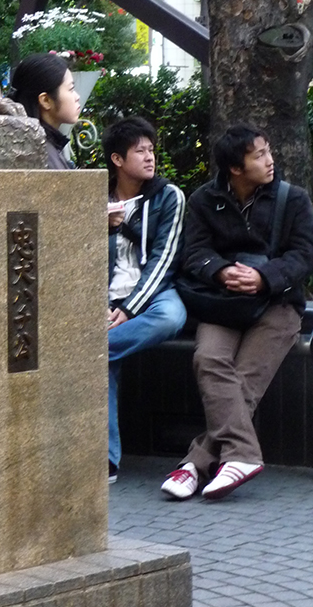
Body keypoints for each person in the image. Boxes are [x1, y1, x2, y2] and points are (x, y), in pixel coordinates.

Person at [161, 125, 313, 501]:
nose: (270, 160)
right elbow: (193, 253)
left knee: (242, 381)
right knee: (208, 360)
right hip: (222, 302)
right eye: (258, 155)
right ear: (235, 167)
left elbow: (303, 255)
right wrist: (221, 270)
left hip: (278, 304)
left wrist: (264, 277)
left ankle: (195, 465)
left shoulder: (293, 199)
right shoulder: (203, 200)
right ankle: (240, 455)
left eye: (268, 151)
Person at [105, 117, 186, 484]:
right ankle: (105, 460)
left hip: (153, 295)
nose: (150, 157)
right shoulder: (96, 195)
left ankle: (95, 347)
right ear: (117, 159)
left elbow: (164, 258)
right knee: (103, 365)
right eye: (141, 151)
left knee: (171, 317)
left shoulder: (169, 197)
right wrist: (101, 226)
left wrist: (129, 308)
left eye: (152, 149)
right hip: (104, 296)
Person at [8, 53, 82, 168]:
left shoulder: (33, 146)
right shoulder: (42, 155)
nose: (77, 97)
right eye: (71, 89)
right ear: (45, 100)